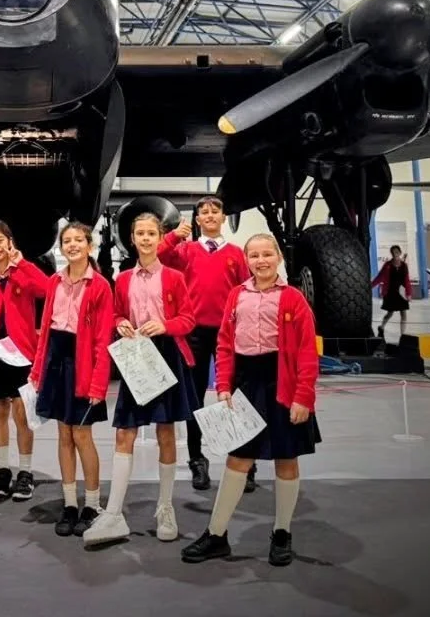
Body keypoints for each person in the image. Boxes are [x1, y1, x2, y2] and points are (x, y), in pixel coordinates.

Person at [182, 233, 321, 567]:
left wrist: (303, 396)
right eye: (254, 256)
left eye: (267, 255)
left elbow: (305, 352)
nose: (261, 261)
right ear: (247, 261)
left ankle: (282, 533)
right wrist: (224, 385)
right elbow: (225, 343)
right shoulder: (236, 296)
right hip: (247, 382)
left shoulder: (294, 299)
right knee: (238, 459)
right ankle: (216, 535)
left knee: (286, 459)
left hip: (283, 384)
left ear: (279, 259)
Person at [84, 211, 198, 549]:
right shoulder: (123, 279)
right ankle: (114, 512)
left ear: (159, 236)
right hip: (136, 356)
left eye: (151, 233)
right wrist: (119, 322)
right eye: (140, 234)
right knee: (125, 434)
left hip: (166, 354)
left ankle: (165, 507)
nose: (146, 239)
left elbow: (188, 318)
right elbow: (117, 312)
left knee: (166, 433)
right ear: (131, 239)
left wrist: (166, 326)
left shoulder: (175, 278)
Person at [29, 221, 114, 537]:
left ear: (89, 245)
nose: (73, 245)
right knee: (63, 436)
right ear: (61, 247)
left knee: (82, 436)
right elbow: (45, 331)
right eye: (67, 241)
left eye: (79, 240)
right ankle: (69, 504)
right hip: (56, 362)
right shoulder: (54, 281)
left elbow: (103, 339)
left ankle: (91, 504)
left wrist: (98, 384)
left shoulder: (101, 286)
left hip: (84, 366)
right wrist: (37, 370)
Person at [158, 195, 248, 492]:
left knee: (236, 397)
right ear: (197, 220)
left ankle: (244, 460)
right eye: (203, 212)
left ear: (223, 218)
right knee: (194, 400)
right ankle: (197, 459)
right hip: (194, 333)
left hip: (229, 333)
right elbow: (155, 255)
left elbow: (246, 292)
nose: (209, 215)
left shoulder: (237, 254)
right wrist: (172, 236)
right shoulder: (185, 251)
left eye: (215, 211)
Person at [0, 219, 51, 501]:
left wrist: (23, 263)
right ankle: (3, 471)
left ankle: (25, 472)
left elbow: (46, 289)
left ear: (9, 241)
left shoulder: (23, 272)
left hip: (23, 353)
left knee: (22, 413)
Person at [371, 245, 410, 341]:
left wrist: (408, 293)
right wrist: (370, 286)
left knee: (403, 313)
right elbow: (380, 277)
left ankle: (402, 335)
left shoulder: (404, 266)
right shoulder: (387, 265)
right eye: (393, 252)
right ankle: (382, 326)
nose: (395, 253)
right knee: (390, 312)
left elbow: (407, 280)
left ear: (400, 252)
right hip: (390, 292)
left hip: (401, 292)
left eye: (396, 251)